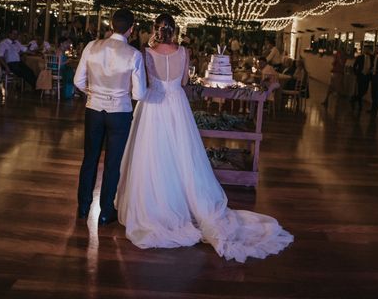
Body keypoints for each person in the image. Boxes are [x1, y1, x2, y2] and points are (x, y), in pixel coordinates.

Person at [116, 14, 293, 263]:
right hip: (178, 105)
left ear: (155, 29)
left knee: (153, 155)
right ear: (174, 30)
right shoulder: (184, 52)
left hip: (153, 107)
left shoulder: (146, 53)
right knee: (183, 156)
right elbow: (185, 82)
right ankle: (189, 203)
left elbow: (144, 83)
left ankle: (157, 205)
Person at [74, 9, 147, 225]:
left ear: (111, 25)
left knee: (90, 159)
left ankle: (83, 207)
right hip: (120, 113)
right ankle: (106, 211)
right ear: (131, 29)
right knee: (113, 163)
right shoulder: (134, 54)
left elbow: (78, 81)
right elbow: (139, 94)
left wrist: (94, 94)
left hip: (94, 110)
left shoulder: (91, 46)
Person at [351, 46, 373, 112]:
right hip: (361, 75)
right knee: (360, 90)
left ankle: (354, 99)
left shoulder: (372, 57)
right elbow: (354, 66)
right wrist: (356, 73)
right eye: (365, 49)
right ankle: (360, 105)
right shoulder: (360, 57)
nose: (366, 50)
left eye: (368, 49)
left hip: (367, 76)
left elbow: (373, 66)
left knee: (365, 90)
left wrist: (371, 71)